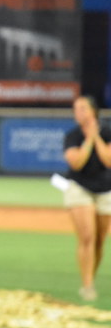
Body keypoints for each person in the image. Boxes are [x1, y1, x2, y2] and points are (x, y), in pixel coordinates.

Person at [62, 94, 111, 301]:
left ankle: (90, 276)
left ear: (93, 111)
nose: (78, 113)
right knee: (88, 237)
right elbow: (77, 163)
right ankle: (87, 284)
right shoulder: (73, 136)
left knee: (99, 240)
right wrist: (89, 139)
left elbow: (108, 161)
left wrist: (96, 136)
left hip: (105, 189)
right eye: (75, 109)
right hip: (80, 188)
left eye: (83, 108)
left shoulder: (108, 131)